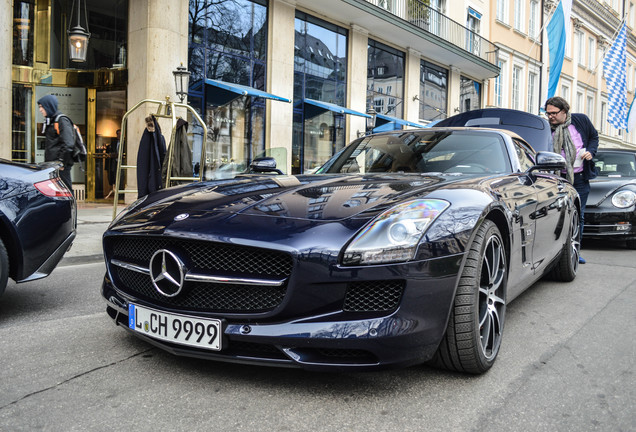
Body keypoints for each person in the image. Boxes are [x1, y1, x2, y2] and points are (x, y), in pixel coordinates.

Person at [544, 96, 599, 264]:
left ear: (564, 112)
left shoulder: (580, 120)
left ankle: (575, 250)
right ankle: (554, 253)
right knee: (556, 215)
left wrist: (590, 151)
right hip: (557, 178)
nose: (551, 117)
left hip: (580, 178)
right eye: (548, 113)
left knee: (578, 215)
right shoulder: (546, 128)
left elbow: (593, 137)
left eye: (554, 113)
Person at [37, 94, 74, 190]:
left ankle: (71, 205)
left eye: (42, 107)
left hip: (60, 166)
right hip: (52, 165)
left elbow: (68, 144)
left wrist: (61, 163)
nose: (40, 110)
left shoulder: (61, 120)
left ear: (49, 106)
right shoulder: (50, 121)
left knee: (66, 190)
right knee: (56, 192)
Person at [105, 129, 120, 199]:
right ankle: (114, 190)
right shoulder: (114, 143)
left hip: (121, 163)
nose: (119, 136)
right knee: (113, 175)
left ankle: (120, 194)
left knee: (120, 177)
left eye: (120, 134)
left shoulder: (125, 142)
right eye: (118, 134)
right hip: (114, 162)